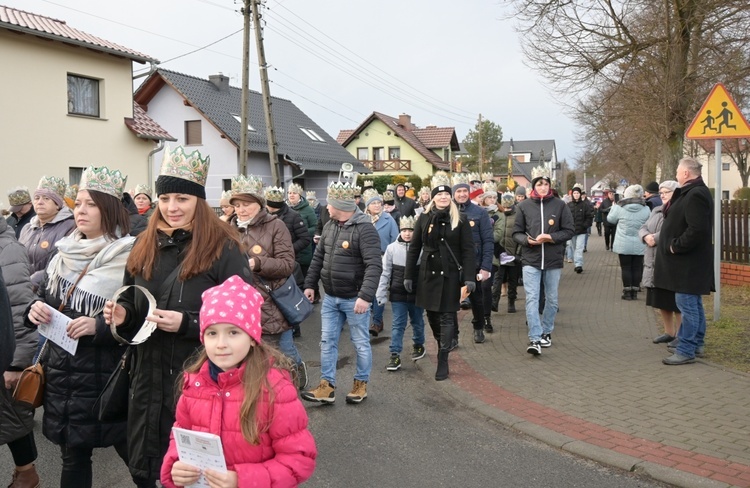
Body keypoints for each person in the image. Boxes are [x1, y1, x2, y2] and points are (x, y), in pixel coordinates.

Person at [102, 146, 253, 487]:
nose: (172, 207)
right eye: (166, 197)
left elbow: (244, 322)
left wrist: (187, 324)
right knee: (146, 468)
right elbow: (135, 305)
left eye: (182, 198)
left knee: (190, 474)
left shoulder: (224, 247)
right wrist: (123, 316)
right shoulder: (143, 244)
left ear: (199, 201)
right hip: (145, 380)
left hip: (199, 380)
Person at [25, 166, 135, 488]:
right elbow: (45, 296)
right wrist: (34, 310)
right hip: (61, 373)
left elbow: (140, 321)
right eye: (79, 203)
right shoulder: (63, 253)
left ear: (110, 209)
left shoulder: (130, 256)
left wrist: (98, 328)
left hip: (107, 376)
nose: (80, 211)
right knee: (72, 457)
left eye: (91, 204)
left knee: (134, 453)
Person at [160, 276, 317, 487]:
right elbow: (180, 438)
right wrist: (175, 466)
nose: (221, 344)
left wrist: (241, 480)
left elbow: (298, 460)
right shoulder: (194, 384)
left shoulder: (275, 389)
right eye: (212, 333)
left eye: (233, 332)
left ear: (252, 337)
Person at [301, 182, 382, 404]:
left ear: (340, 204)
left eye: (330, 203)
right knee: (327, 342)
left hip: (355, 299)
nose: (326, 207)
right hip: (330, 298)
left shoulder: (365, 230)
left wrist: (365, 297)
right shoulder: (330, 226)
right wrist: (310, 284)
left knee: (360, 343)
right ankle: (327, 387)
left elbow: (374, 265)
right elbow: (319, 258)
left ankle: (360, 384)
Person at [229, 175, 308, 389]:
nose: (241, 210)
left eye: (247, 204)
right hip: (242, 306)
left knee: (283, 353)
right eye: (237, 205)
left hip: (272, 303)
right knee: (252, 358)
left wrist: (257, 263)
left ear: (259, 204)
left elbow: (286, 264)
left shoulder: (276, 226)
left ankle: (294, 377)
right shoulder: (229, 228)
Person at [405, 172, 475, 380]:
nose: (443, 198)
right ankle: (441, 341)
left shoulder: (460, 219)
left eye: (446, 195)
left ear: (451, 197)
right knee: (433, 316)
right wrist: (409, 274)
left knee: (446, 315)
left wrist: (469, 277)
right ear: (433, 197)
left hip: (450, 274)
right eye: (439, 195)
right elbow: (414, 247)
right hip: (428, 273)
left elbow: (469, 250)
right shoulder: (424, 218)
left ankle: (443, 358)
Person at [654, 157, 713, 365]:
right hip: (686, 263)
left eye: (679, 171)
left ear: (686, 173)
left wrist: (675, 245)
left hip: (688, 263)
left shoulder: (696, 194)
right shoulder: (691, 192)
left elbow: (697, 229)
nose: (677, 175)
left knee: (687, 305)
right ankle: (696, 343)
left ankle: (687, 349)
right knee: (693, 304)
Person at [512, 166, 574, 355]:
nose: (543, 187)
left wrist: (551, 238)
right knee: (532, 299)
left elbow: (569, 230)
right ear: (534, 186)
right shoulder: (524, 206)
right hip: (530, 259)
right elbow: (516, 233)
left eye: (546, 184)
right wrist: (527, 241)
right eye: (539, 184)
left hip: (553, 260)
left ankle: (547, 331)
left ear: (550, 186)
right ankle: (535, 338)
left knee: (552, 299)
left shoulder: (560, 205)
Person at [0, 214, 38, 488]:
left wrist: (15, 363)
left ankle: (26, 475)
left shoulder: (8, 247)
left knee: (12, 415)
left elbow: (18, 305)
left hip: (6, 352)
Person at [376, 215, 426, 371]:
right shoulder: (391, 248)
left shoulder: (422, 248)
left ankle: (419, 344)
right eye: (404, 230)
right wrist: (381, 293)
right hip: (398, 294)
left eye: (411, 230)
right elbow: (385, 272)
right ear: (400, 230)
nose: (407, 233)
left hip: (417, 293)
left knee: (417, 321)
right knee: (398, 324)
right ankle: (394, 354)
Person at [452, 173, 494, 342]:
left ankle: (478, 326)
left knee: (477, 299)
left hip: (474, 264)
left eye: (464, 191)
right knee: (452, 301)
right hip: (453, 264)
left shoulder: (480, 212)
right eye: (458, 191)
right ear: (453, 193)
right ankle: (453, 334)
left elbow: (488, 241)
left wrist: (485, 267)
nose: (462, 194)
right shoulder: (448, 211)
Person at [639, 180, 681, 343]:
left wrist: (654, 238)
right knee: (662, 300)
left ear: (675, 193)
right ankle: (668, 332)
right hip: (652, 261)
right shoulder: (657, 210)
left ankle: (680, 334)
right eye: (661, 192)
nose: (662, 195)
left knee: (676, 302)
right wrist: (645, 236)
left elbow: (672, 230)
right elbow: (643, 226)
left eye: (666, 192)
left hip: (668, 262)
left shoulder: (677, 210)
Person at [19, 176, 76, 292]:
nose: (39, 202)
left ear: (57, 204)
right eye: (36, 198)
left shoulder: (71, 226)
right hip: (23, 290)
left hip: (51, 291)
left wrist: (33, 281)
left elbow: (65, 264)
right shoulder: (27, 228)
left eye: (46, 198)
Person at [362, 189, 399, 336]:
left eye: (379, 203)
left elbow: (395, 240)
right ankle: (372, 317)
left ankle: (376, 322)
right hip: (364, 259)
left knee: (379, 290)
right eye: (374, 203)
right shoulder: (362, 219)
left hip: (382, 258)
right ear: (368, 206)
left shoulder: (389, 219)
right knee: (367, 290)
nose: (377, 205)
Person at [608, 184, 651, 300]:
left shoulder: (619, 207)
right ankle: (635, 291)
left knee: (626, 267)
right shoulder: (646, 209)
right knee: (637, 267)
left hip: (623, 243)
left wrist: (613, 206)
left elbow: (610, 219)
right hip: (640, 242)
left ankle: (627, 292)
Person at [492, 192, 522, 313]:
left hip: (513, 253)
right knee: (497, 279)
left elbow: (521, 234)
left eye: (509, 207)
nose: (506, 209)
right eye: (504, 207)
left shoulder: (518, 216)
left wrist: (518, 253)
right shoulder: (498, 215)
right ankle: (494, 302)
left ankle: (511, 302)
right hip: (499, 253)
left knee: (513, 280)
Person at [567, 186, 594, 273]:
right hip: (572, 231)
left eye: (577, 193)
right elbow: (565, 218)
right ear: (572, 194)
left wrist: (585, 225)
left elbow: (589, 217)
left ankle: (579, 265)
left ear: (580, 194)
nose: (576, 195)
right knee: (574, 247)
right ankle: (576, 263)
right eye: (574, 193)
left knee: (579, 248)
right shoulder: (568, 205)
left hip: (582, 231)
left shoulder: (585, 205)